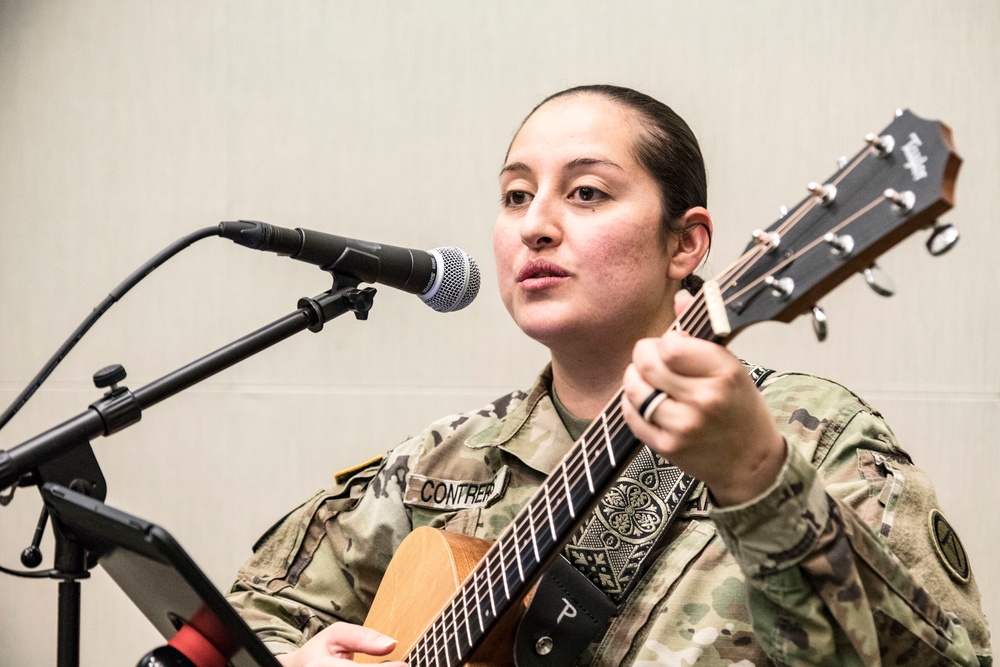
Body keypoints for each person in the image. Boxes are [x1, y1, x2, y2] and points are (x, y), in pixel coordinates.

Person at [227, 85, 991, 666]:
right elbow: (232, 622)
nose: (536, 223)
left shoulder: (804, 432)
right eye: (516, 195)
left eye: (586, 191)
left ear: (686, 245)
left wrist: (758, 480)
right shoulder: (441, 463)